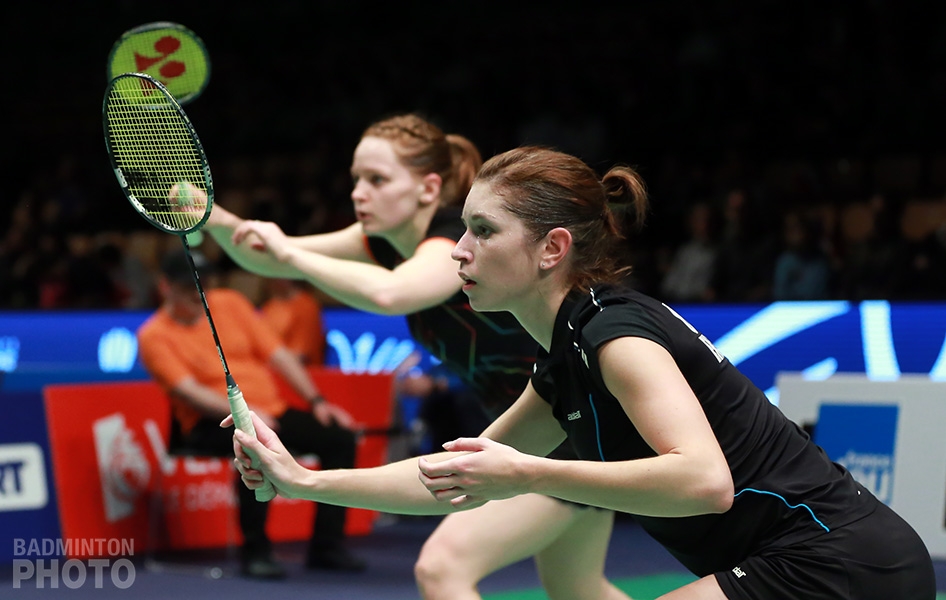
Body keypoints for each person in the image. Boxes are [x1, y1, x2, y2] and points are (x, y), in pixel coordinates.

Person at [228, 146, 936, 599]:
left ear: (552, 248)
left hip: (834, 559)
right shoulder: (563, 359)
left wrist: (528, 473)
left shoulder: (615, 335)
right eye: (463, 228)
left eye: (483, 231)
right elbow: (452, 477)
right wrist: (305, 482)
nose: (459, 251)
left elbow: (703, 481)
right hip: (813, 560)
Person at [200, 114, 628, 600]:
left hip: (562, 434)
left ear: (428, 188)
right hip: (531, 427)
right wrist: (209, 216)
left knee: (442, 569)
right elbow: (266, 255)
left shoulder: (456, 240)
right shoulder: (382, 243)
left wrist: (290, 254)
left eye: (377, 180)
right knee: (578, 588)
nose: (359, 193)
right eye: (356, 179)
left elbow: (391, 293)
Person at [136, 248, 365, 579]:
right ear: (165, 287)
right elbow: (189, 391)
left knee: (338, 438)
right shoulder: (153, 335)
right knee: (253, 442)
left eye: (203, 284)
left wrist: (317, 401)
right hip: (211, 422)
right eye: (188, 287)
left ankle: (327, 547)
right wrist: (247, 412)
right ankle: (255, 551)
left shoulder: (230, 303)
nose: (198, 293)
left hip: (271, 411)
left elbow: (279, 355)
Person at [259, 278, 326, 365]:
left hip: (299, 371)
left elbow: (300, 357)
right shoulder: (269, 305)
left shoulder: (306, 307)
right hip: (267, 369)